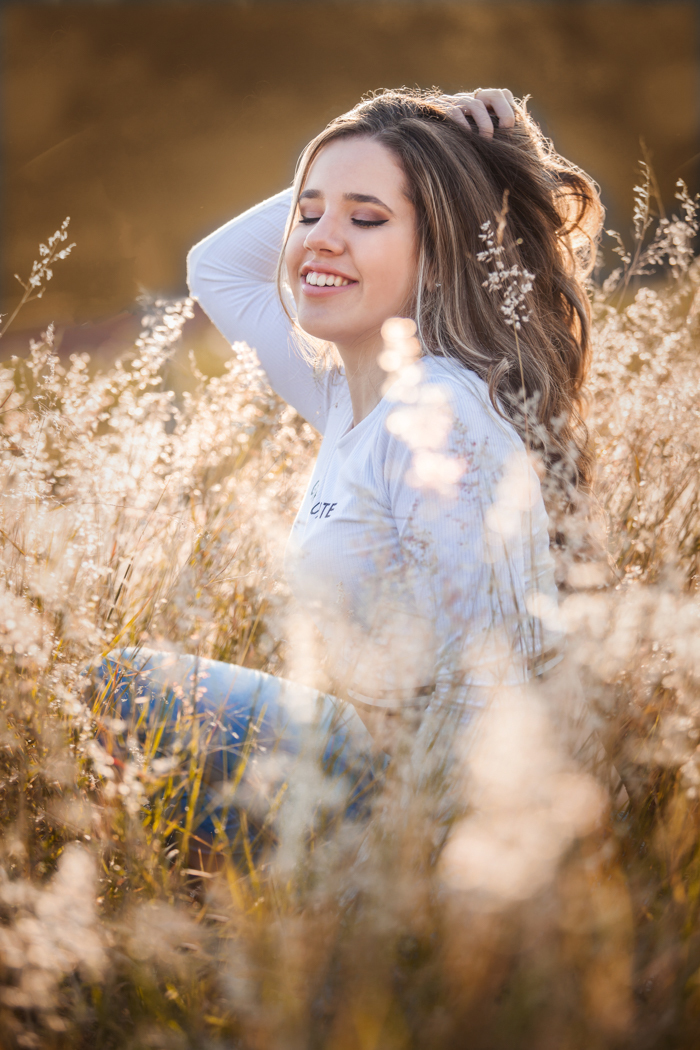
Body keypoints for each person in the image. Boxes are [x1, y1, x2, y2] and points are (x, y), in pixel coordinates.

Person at [94, 88, 602, 852]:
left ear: (441, 253)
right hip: (361, 764)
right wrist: (405, 137)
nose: (321, 239)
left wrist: (427, 864)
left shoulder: (439, 414)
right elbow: (217, 269)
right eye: (308, 215)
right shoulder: (349, 391)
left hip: (413, 803)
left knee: (129, 683)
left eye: (367, 220)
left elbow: (487, 680)